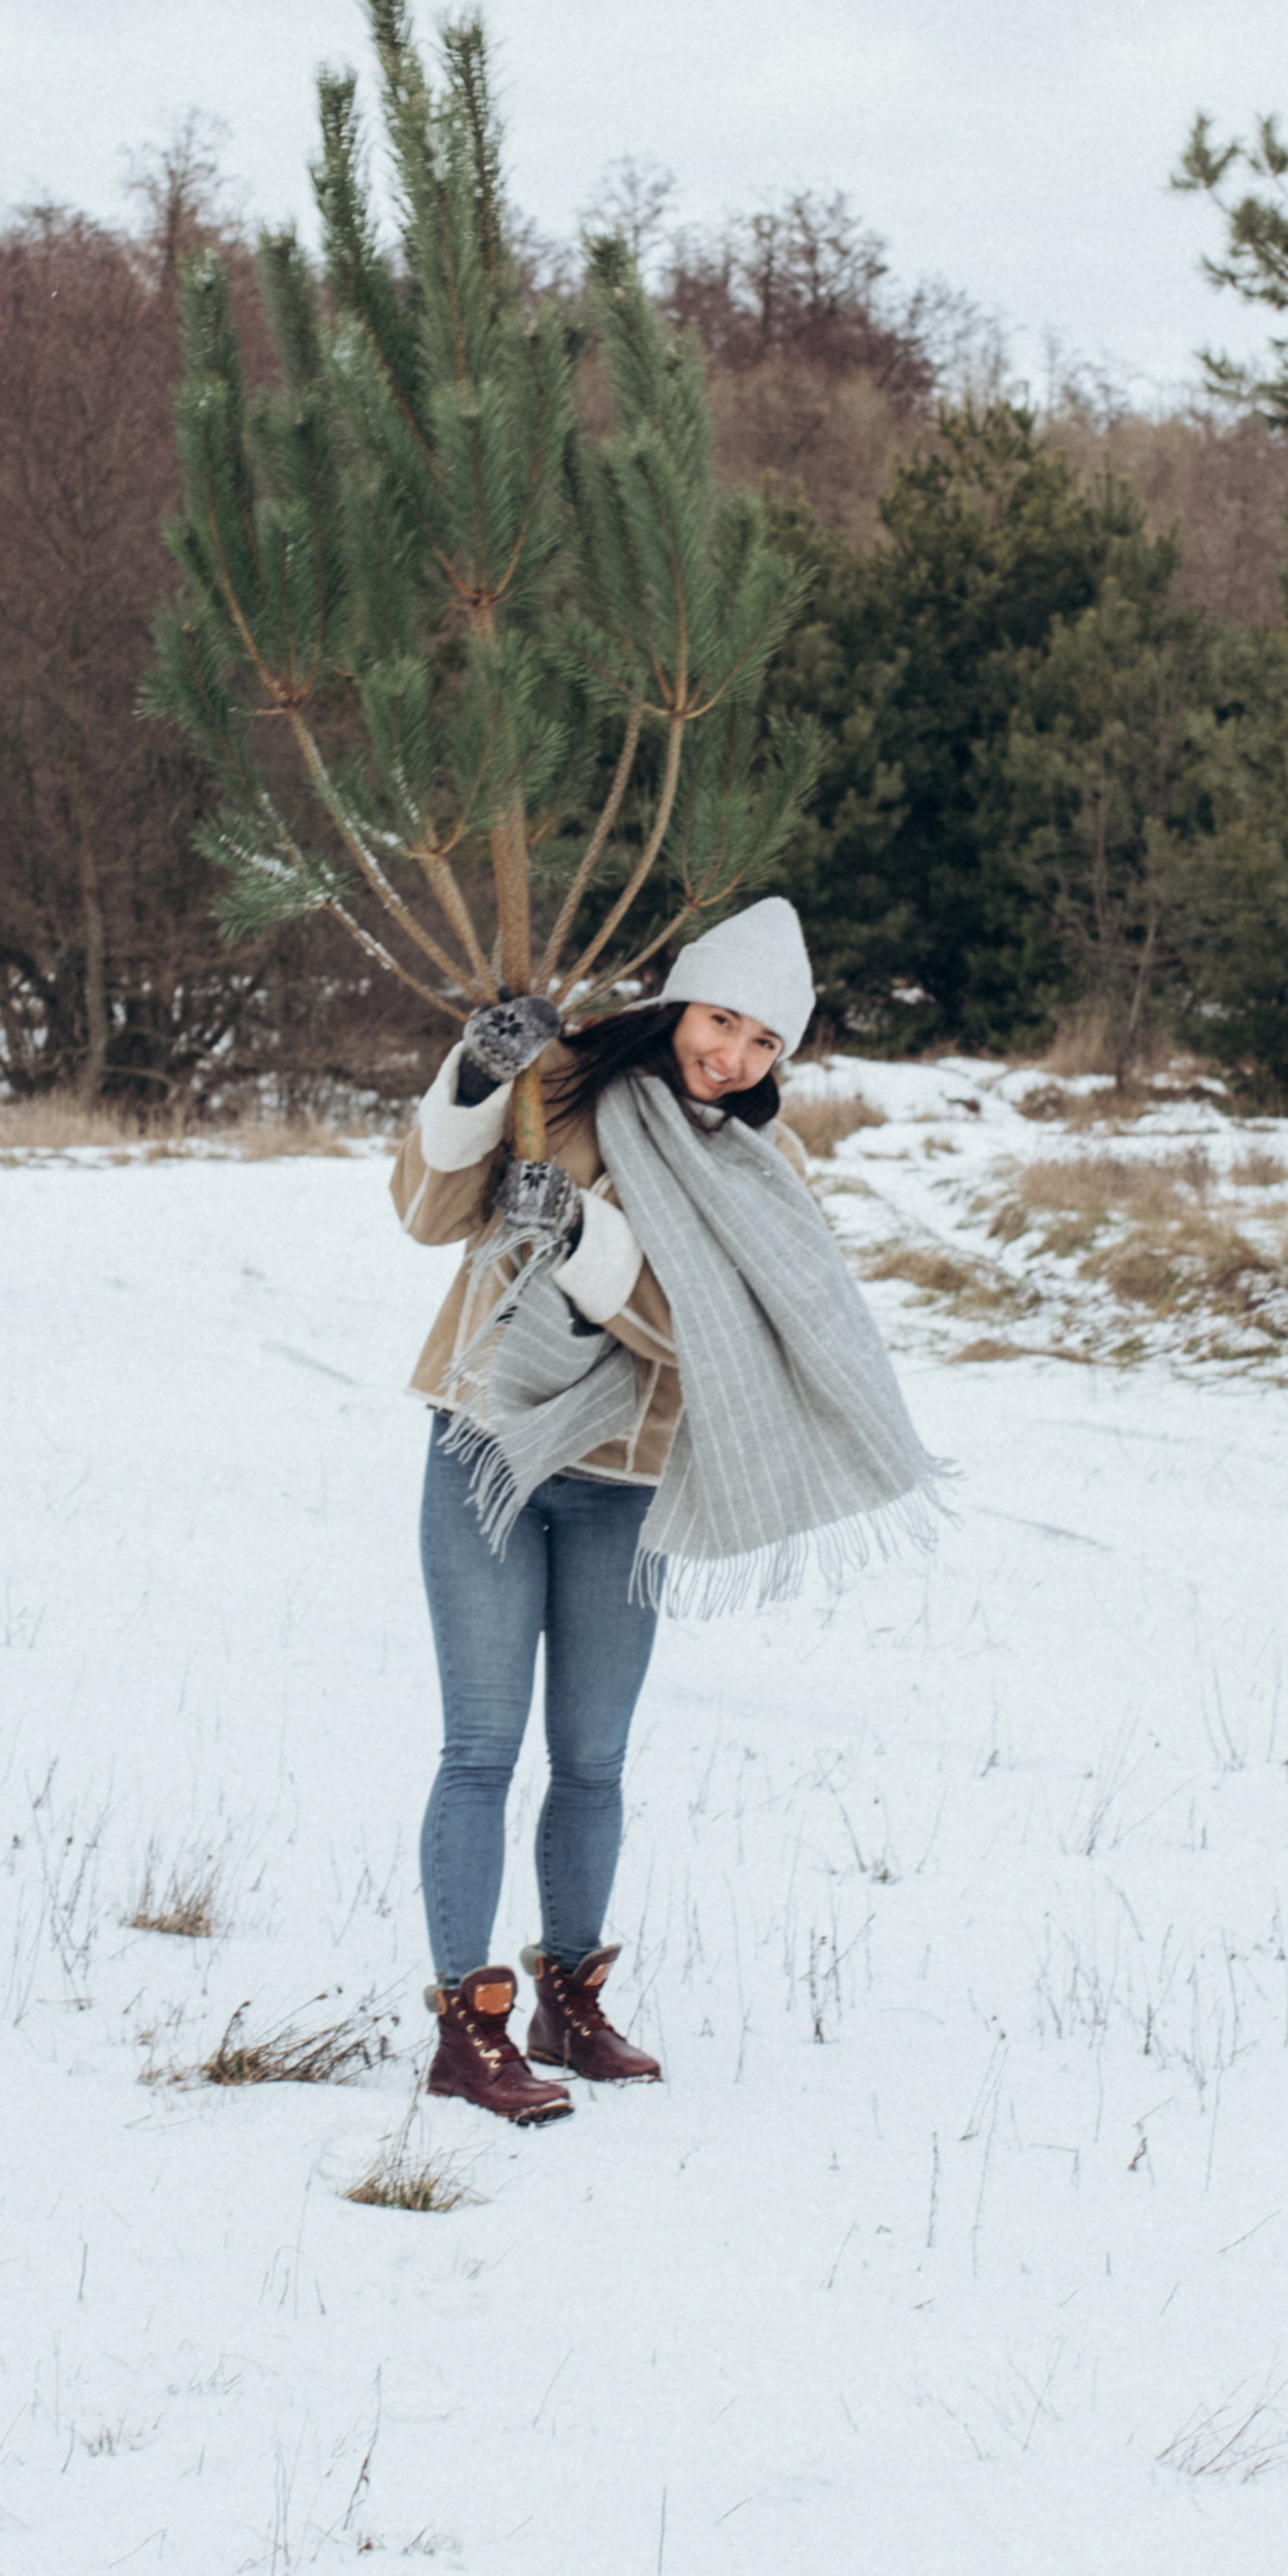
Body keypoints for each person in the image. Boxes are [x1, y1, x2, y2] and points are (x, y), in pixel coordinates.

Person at [391, 895, 941, 2125]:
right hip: (490, 1442)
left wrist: (583, 1238)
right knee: (481, 1747)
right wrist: (478, 1076)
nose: (733, 1055)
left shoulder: (765, 1166)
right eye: (721, 1018)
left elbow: (710, 1335)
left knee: (592, 1758)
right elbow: (428, 1213)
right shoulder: (565, 1091)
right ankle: (465, 2027)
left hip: (624, 1483)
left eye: (764, 1043)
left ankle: (568, 2003)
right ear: (677, 1003)